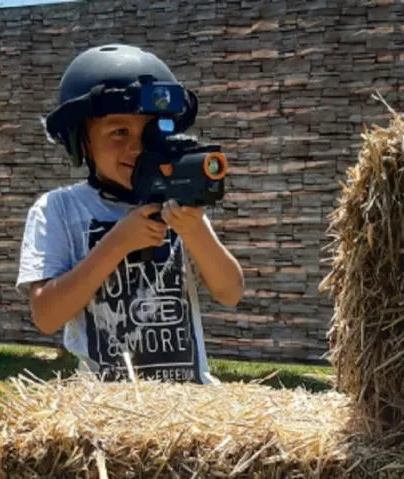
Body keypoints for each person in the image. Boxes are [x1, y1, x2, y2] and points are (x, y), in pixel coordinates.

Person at [15, 44, 244, 385]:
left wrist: (195, 230)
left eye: (148, 132)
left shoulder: (177, 199)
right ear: (82, 142)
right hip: (105, 403)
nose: (136, 147)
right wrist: (116, 244)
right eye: (119, 132)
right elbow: (47, 316)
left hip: (186, 400)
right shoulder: (58, 210)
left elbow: (231, 292)